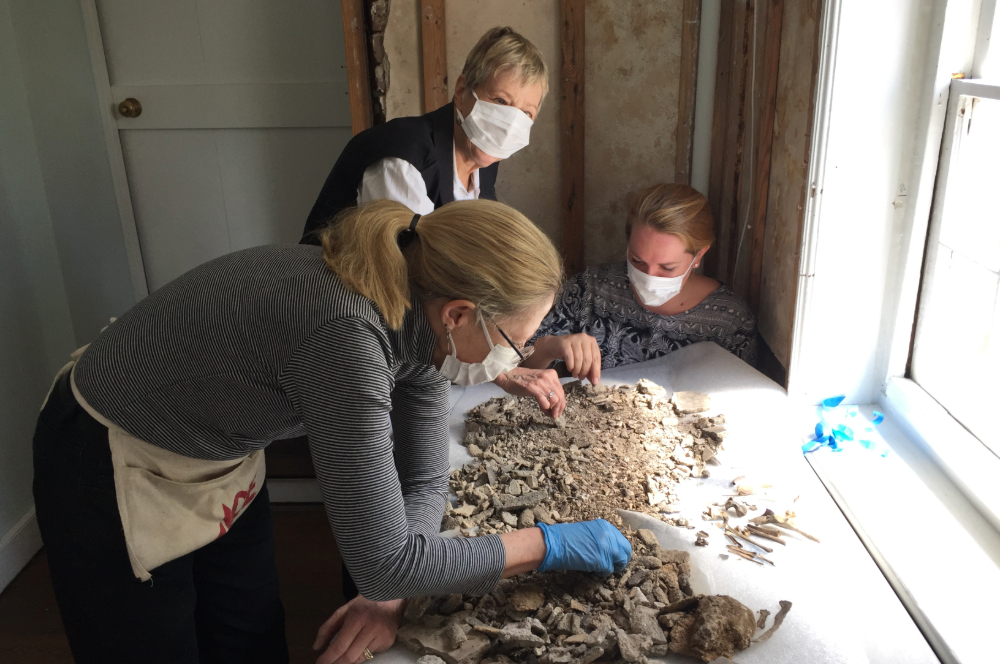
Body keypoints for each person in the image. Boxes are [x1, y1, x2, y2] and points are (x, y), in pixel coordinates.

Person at [32, 199, 632, 664]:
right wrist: (547, 545)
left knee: (247, 630)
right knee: (151, 645)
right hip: (113, 450)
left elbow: (420, 471)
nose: (518, 357)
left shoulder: (408, 296)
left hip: (217, 444)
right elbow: (383, 563)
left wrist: (399, 577)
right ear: (457, 313)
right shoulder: (344, 334)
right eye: (513, 341)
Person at [301, 26, 547, 243]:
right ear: (461, 91)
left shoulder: (483, 161)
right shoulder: (403, 159)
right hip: (334, 289)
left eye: (526, 113)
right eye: (501, 101)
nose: (509, 124)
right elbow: (415, 269)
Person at [522, 184, 758, 380]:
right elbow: (516, 371)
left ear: (699, 256)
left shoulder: (728, 320)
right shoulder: (590, 290)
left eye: (667, 268)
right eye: (637, 260)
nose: (649, 276)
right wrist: (551, 347)